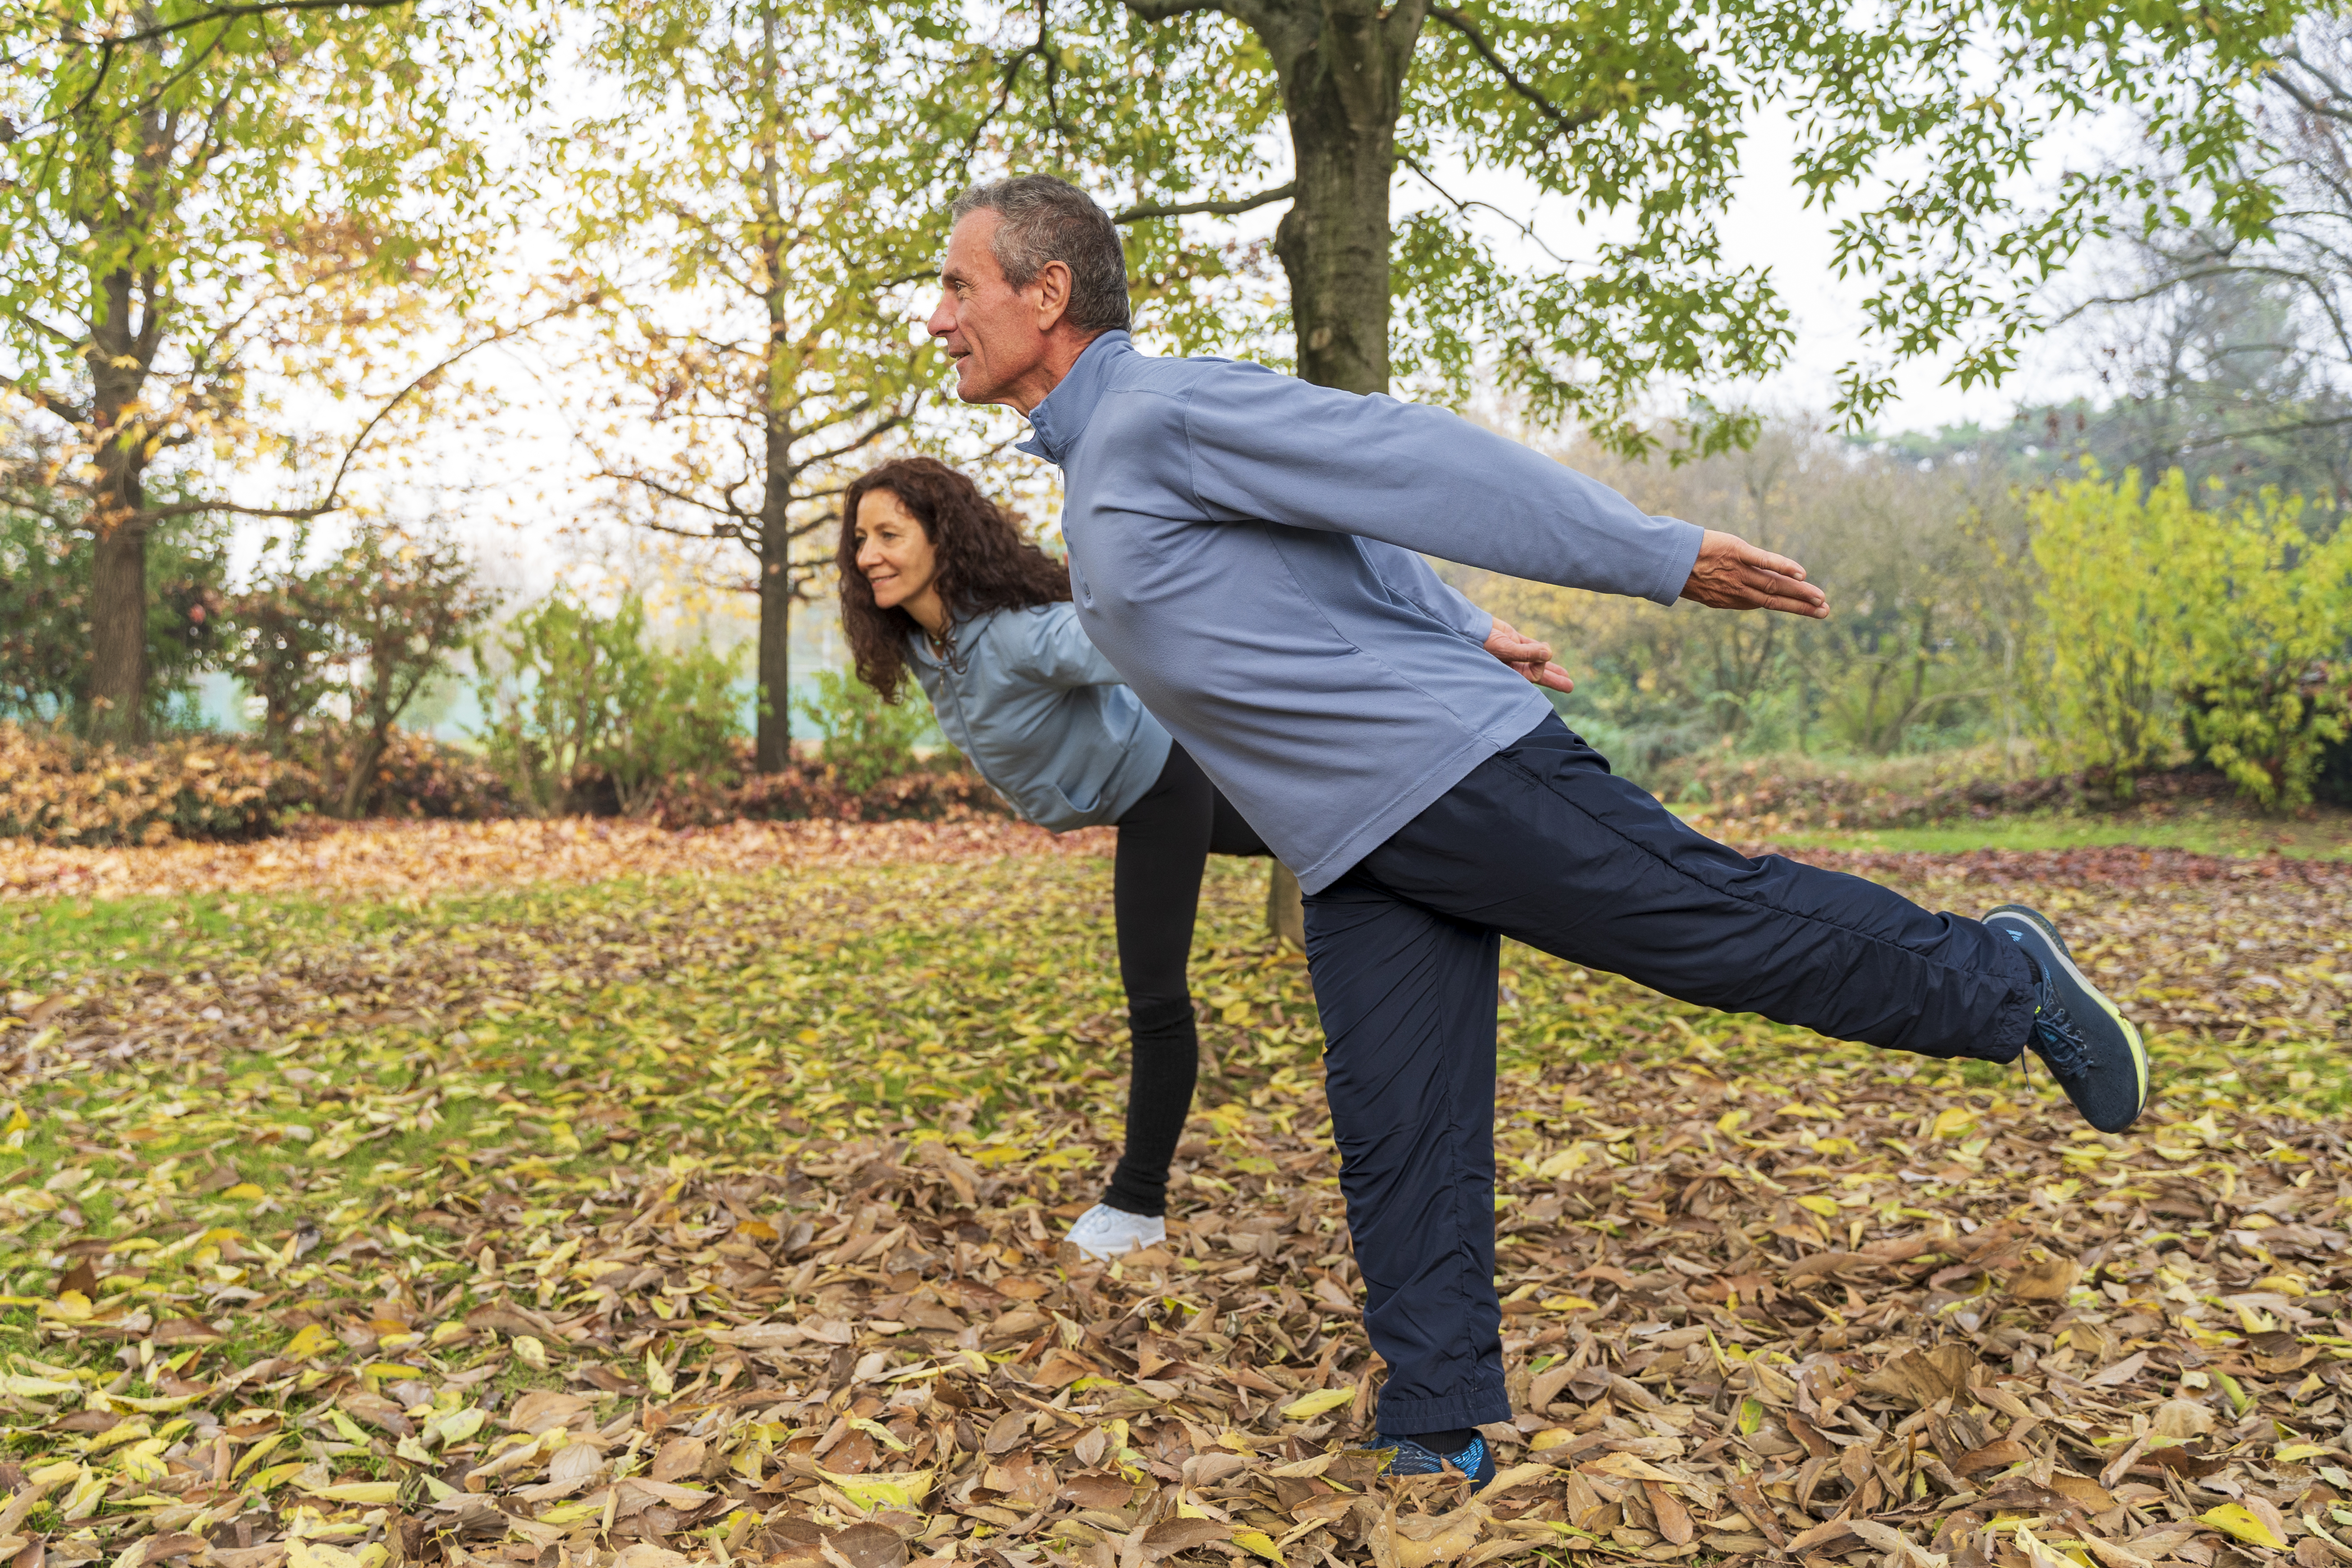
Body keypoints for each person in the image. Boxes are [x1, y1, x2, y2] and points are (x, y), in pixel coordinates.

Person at [919, 173, 2151, 1483]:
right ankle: (1437, 1424)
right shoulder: (1101, 461)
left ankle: (2004, 981)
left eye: (956, 285)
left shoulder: (1159, 410)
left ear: (1045, 295)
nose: (938, 316)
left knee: (1716, 931)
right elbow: (1321, 538)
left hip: (1452, 774)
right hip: (1347, 846)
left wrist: (1653, 553)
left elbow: (1403, 462)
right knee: (1396, 1125)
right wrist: (1470, 623)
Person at [840, 456, 1550, 1259]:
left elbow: (1141, 640)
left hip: (1161, 789)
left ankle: (1137, 1204)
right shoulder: (927, 643)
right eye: (861, 537)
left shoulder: (1018, 637)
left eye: (890, 534)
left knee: (1154, 994)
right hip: (1169, 787)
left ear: (943, 538)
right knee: (1359, 830)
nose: (869, 554)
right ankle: (1475, 860)